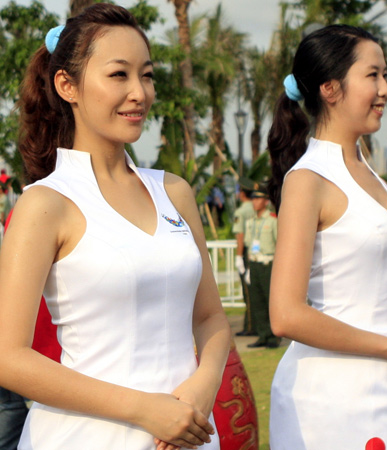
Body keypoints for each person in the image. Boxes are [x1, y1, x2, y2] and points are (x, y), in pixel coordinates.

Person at [0, 4, 230, 449]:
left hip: (190, 434)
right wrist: (145, 409)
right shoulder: (45, 204)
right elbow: (8, 358)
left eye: (146, 75)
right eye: (118, 75)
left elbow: (211, 318)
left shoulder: (174, 192)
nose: (139, 93)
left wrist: (204, 385)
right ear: (68, 85)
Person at [265, 25, 387, 449]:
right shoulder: (307, 180)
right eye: (373, 75)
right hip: (334, 401)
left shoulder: (375, 178)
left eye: (385, 75)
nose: (385, 88)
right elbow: (286, 315)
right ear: (330, 88)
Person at [243, 184, 279, 348]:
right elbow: (249, 243)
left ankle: (273, 337)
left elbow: (279, 244)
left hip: (268, 263)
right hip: (254, 263)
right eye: (253, 199)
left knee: (269, 301)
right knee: (256, 301)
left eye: (258, 199)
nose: (254, 202)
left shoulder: (272, 220)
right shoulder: (251, 222)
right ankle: (263, 334)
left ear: (266, 201)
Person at [233, 178, 257, 336]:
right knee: (256, 290)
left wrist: (239, 256)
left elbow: (240, 235)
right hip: (257, 249)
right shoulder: (257, 207)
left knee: (248, 292)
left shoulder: (240, 212)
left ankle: (250, 327)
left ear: (242, 194)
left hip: (247, 250)